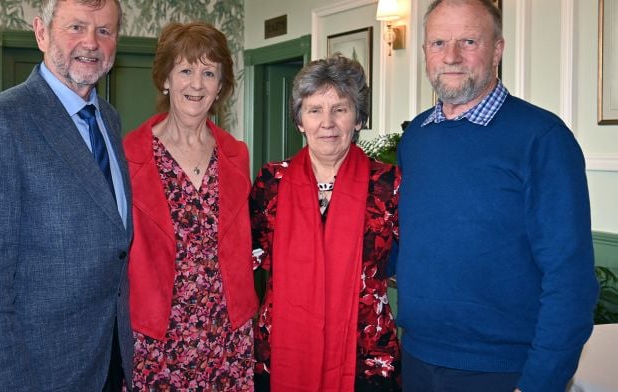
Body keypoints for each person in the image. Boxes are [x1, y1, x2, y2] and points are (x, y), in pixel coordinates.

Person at [395, 0, 599, 391]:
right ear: (424, 53)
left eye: (468, 41)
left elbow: (570, 278)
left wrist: (540, 383)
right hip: (418, 361)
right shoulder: (416, 136)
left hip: (504, 371)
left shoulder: (541, 138)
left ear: (497, 50)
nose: (451, 56)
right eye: (438, 43)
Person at [0, 0, 133, 390]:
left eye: (104, 30)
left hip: (108, 360)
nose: (91, 43)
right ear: (41, 32)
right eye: (75, 28)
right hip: (37, 370)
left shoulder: (110, 120)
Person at [251, 54, 401, 392]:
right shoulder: (270, 181)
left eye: (340, 109)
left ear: (359, 118)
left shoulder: (389, 183)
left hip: (366, 356)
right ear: (300, 120)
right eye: (314, 110)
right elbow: (249, 255)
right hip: (282, 351)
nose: (327, 122)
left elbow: (410, 259)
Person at [122, 21, 257, 391]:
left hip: (227, 332)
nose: (197, 84)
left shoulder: (237, 155)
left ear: (220, 87)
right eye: (185, 70)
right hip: (156, 336)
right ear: (165, 79)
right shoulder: (129, 155)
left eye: (209, 73)